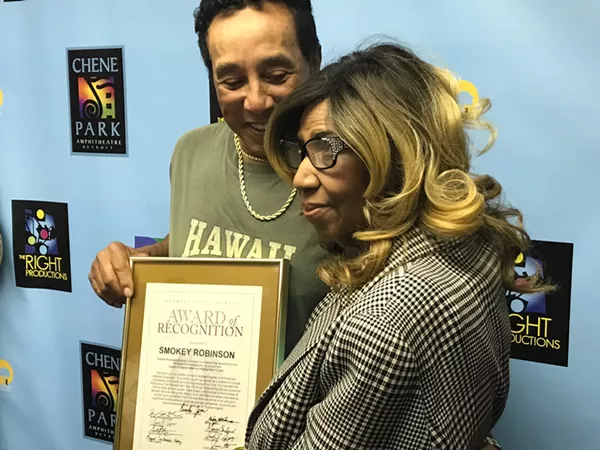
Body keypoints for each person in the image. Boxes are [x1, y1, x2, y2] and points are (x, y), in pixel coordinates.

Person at [245, 42, 551, 449]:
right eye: (302, 150)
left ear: (393, 156)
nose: (300, 177)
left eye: (324, 148)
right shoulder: (464, 244)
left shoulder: (384, 324)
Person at [88, 0, 330, 355]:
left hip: (301, 409)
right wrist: (140, 261)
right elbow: (189, 240)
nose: (256, 101)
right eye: (232, 81)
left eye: (277, 76)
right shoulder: (191, 151)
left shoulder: (345, 172)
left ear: (314, 61)